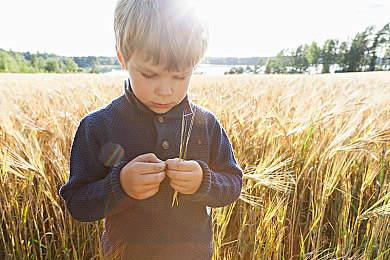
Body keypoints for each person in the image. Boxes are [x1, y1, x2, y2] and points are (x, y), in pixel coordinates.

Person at [59, 0, 243, 259]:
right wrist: (120, 186)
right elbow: (77, 203)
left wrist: (204, 181)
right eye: (149, 75)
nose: (165, 90)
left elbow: (233, 183)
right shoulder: (98, 126)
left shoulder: (206, 124)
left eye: (180, 77)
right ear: (122, 58)